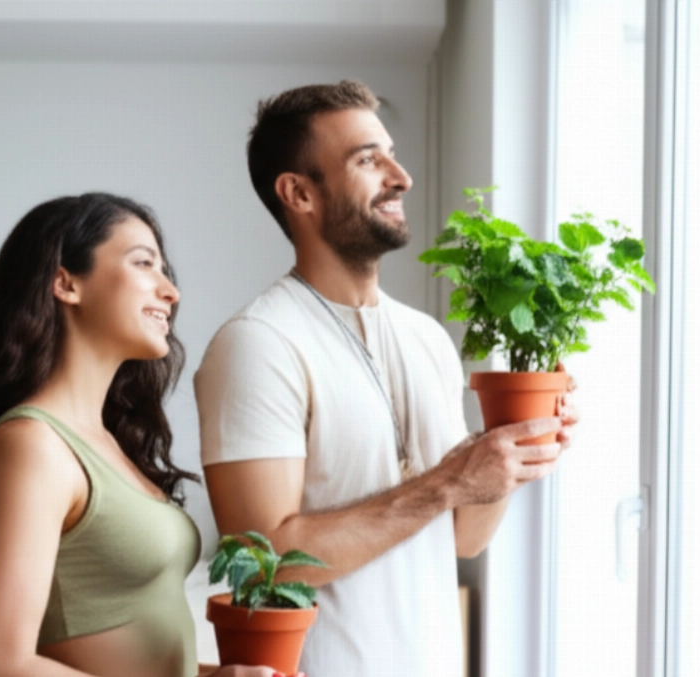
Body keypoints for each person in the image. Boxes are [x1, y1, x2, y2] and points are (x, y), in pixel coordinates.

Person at [194, 81, 578, 677]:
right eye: (367, 160)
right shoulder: (258, 343)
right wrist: (446, 481)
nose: (401, 177)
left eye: (391, 153)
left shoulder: (427, 338)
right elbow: (262, 562)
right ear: (298, 193)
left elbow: (462, 539)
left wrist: (507, 455)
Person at [0, 193, 295, 677]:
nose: (170, 291)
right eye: (144, 263)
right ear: (65, 283)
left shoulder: (108, 443)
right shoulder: (31, 444)